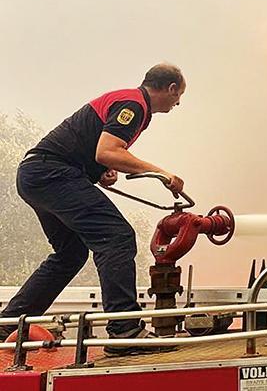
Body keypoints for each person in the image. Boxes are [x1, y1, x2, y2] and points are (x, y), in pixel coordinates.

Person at [0, 63, 186, 356]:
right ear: (171, 88)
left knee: (71, 254)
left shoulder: (129, 101)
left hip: (37, 173)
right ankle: (125, 331)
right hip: (52, 173)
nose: (178, 103)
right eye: (178, 97)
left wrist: (99, 171)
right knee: (117, 236)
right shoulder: (134, 104)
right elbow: (108, 150)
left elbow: (97, 152)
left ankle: (8, 324)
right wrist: (163, 173)